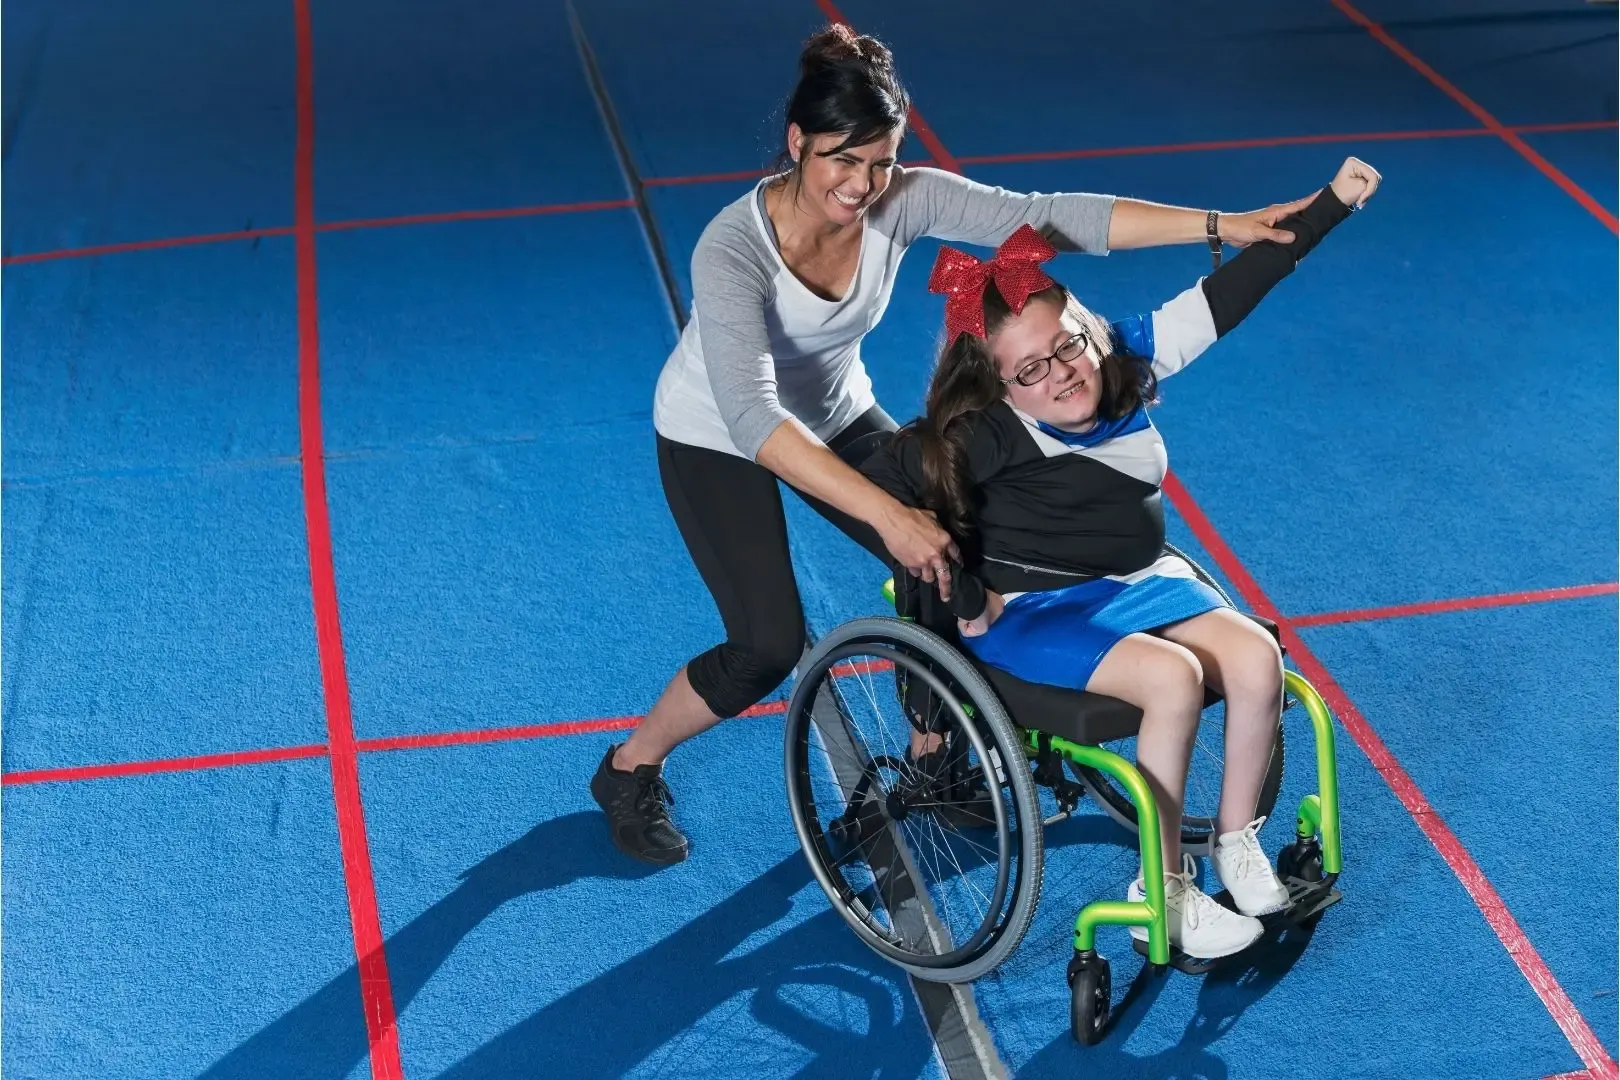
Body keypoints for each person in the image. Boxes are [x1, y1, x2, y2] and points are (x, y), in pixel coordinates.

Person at [591, 21, 1342, 867]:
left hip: (836, 411)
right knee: (765, 645)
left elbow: (1042, 221)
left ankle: (932, 752)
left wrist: (1221, 226)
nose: (862, 186)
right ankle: (630, 766)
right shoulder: (734, 248)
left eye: (880, 163)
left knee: (957, 538)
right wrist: (889, 516)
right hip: (719, 433)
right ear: (797, 143)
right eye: (842, 160)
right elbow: (755, 418)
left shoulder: (899, 197)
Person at [856, 156, 1380, 957]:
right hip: (1032, 610)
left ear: (1089, 330)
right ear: (997, 387)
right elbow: (886, 502)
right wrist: (964, 594)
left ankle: (1235, 842)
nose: (1060, 375)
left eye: (1066, 347)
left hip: (1138, 583)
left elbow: (1229, 295)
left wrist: (1329, 208)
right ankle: (1162, 889)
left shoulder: (1124, 363)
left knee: (1253, 654)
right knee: (1171, 680)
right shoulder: (980, 436)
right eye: (1028, 370)